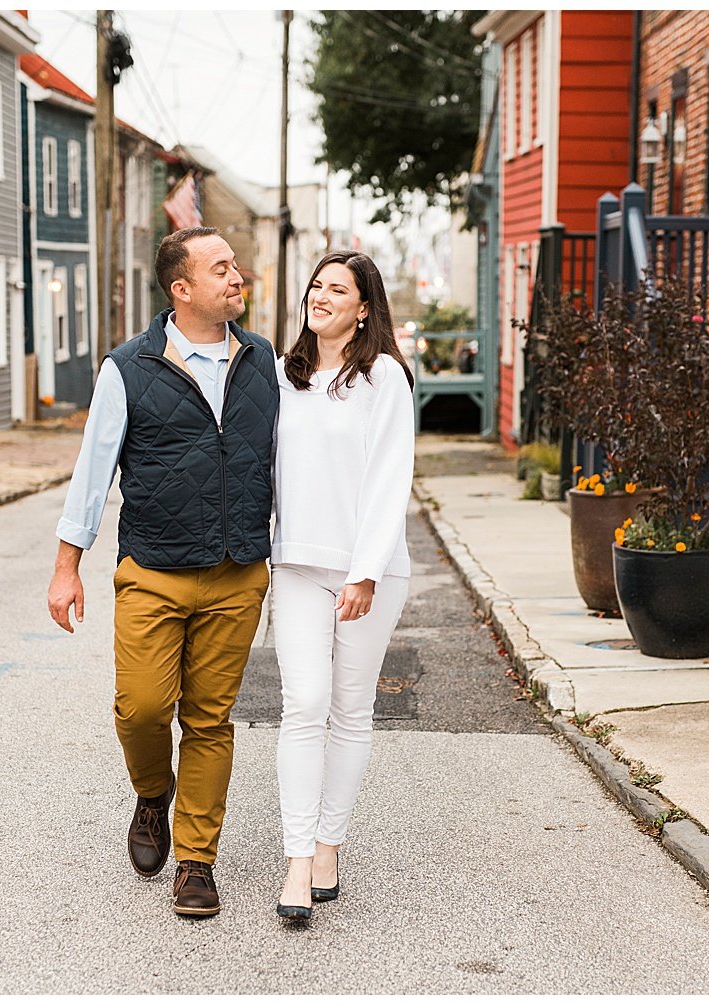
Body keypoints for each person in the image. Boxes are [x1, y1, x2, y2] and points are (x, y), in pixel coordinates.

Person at [47, 227, 278, 919]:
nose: (237, 276)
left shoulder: (263, 361)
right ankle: (154, 793)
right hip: (153, 568)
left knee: (210, 720)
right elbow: (92, 474)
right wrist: (68, 567)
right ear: (182, 289)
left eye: (235, 265)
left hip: (238, 570)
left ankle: (197, 862)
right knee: (142, 708)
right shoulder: (130, 367)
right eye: (221, 269)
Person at [269, 251, 416, 922]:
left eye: (338, 289)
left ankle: (330, 844)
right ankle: (298, 859)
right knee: (304, 702)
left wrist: (364, 570)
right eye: (317, 285)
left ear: (364, 309)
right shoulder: (282, 376)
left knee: (350, 710)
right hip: (296, 563)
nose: (321, 295)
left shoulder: (383, 377)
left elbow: (390, 477)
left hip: (370, 571)